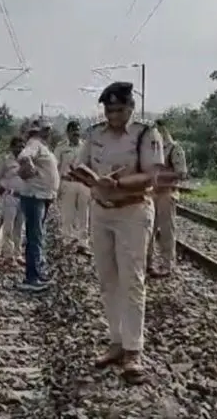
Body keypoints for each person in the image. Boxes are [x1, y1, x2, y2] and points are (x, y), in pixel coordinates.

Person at [75, 81, 167, 383]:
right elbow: (81, 164)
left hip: (132, 210)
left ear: (130, 108)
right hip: (101, 211)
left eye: (119, 109)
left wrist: (119, 184)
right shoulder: (94, 134)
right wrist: (87, 177)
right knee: (107, 280)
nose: (113, 114)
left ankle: (133, 350)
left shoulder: (145, 133)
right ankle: (115, 341)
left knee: (132, 280)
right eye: (108, 109)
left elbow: (152, 175)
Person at [16, 122, 60, 291]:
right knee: (35, 237)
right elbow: (24, 156)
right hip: (35, 196)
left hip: (41, 196)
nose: (48, 132)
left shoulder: (41, 146)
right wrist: (31, 168)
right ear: (37, 131)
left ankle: (37, 273)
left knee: (38, 236)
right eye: (45, 129)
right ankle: (31, 278)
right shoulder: (34, 144)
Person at [146, 118, 187, 277]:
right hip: (152, 193)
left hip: (166, 193)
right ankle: (147, 262)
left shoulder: (174, 148)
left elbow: (181, 173)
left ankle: (167, 264)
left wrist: (160, 175)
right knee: (148, 230)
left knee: (166, 231)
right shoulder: (152, 149)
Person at [55, 120, 91, 255]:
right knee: (68, 214)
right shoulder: (61, 148)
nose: (76, 133)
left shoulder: (85, 147)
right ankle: (67, 240)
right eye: (73, 130)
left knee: (84, 214)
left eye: (78, 130)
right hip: (68, 183)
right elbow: (56, 167)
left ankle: (83, 243)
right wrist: (56, 187)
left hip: (83, 184)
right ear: (68, 132)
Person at [0, 136, 25, 266]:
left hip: (23, 197)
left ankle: (18, 254)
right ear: (12, 147)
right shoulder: (5, 160)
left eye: (22, 146)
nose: (20, 149)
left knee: (20, 227)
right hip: (10, 197)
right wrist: (4, 193)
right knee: (9, 227)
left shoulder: (27, 160)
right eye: (17, 146)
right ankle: (8, 255)